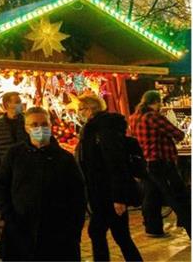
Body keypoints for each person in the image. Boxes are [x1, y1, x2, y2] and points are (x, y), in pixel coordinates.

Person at [0, 106, 86, 261]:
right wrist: (9, 217)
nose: (40, 128)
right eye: (35, 125)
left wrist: (74, 229)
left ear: (50, 126)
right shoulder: (15, 155)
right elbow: (2, 185)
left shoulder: (64, 158)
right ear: (26, 128)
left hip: (57, 233)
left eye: (44, 124)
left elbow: (78, 195)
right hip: (21, 231)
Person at [76, 95, 143, 261]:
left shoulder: (102, 130)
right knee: (119, 234)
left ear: (90, 109)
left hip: (107, 192)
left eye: (81, 109)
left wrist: (118, 197)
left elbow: (115, 163)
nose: (79, 112)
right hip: (101, 191)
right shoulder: (95, 128)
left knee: (99, 232)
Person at [129, 90, 190, 239]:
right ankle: (192, 228)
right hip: (161, 160)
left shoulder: (134, 117)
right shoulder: (153, 117)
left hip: (145, 161)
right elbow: (178, 134)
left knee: (151, 196)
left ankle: (153, 228)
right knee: (176, 196)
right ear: (156, 102)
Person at [0, 92, 27, 172]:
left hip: (25, 168)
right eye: (17, 102)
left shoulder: (27, 122)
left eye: (20, 102)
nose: (21, 104)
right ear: (7, 105)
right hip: (6, 169)